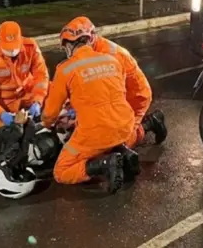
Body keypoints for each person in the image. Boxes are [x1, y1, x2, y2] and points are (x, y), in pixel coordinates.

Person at [42, 25, 136, 194]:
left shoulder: (66, 69)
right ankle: (123, 152)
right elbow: (109, 94)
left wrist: (47, 124)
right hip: (125, 127)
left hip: (96, 132)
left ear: (69, 45)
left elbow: (50, 113)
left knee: (61, 171)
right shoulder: (111, 60)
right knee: (104, 136)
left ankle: (105, 164)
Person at [61, 16, 167, 152]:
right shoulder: (91, 52)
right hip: (119, 95)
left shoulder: (110, 56)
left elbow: (111, 97)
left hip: (134, 98)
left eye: (73, 44)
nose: (71, 51)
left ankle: (150, 123)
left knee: (115, 145)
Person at [0, 21, 49, 131]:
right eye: (8, 47)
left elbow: (42, 76)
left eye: (14, 46)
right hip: (2, 103)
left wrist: (38, 100)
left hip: (27, 95)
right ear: (0, 41)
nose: (12, 51)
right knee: (2, 136)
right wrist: (0, 114)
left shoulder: (31, 47)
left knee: (56, 94)